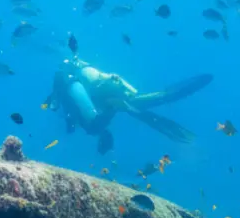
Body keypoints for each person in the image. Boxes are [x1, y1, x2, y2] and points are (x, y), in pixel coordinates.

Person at [48, 56, 213, 153]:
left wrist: (98, 121)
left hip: (105, 96)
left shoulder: (68, 84)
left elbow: (82, 111)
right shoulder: (71, 81)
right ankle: (172, 95)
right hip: (107, 93)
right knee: (136, 105)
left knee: (100, 123)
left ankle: (170, 94)